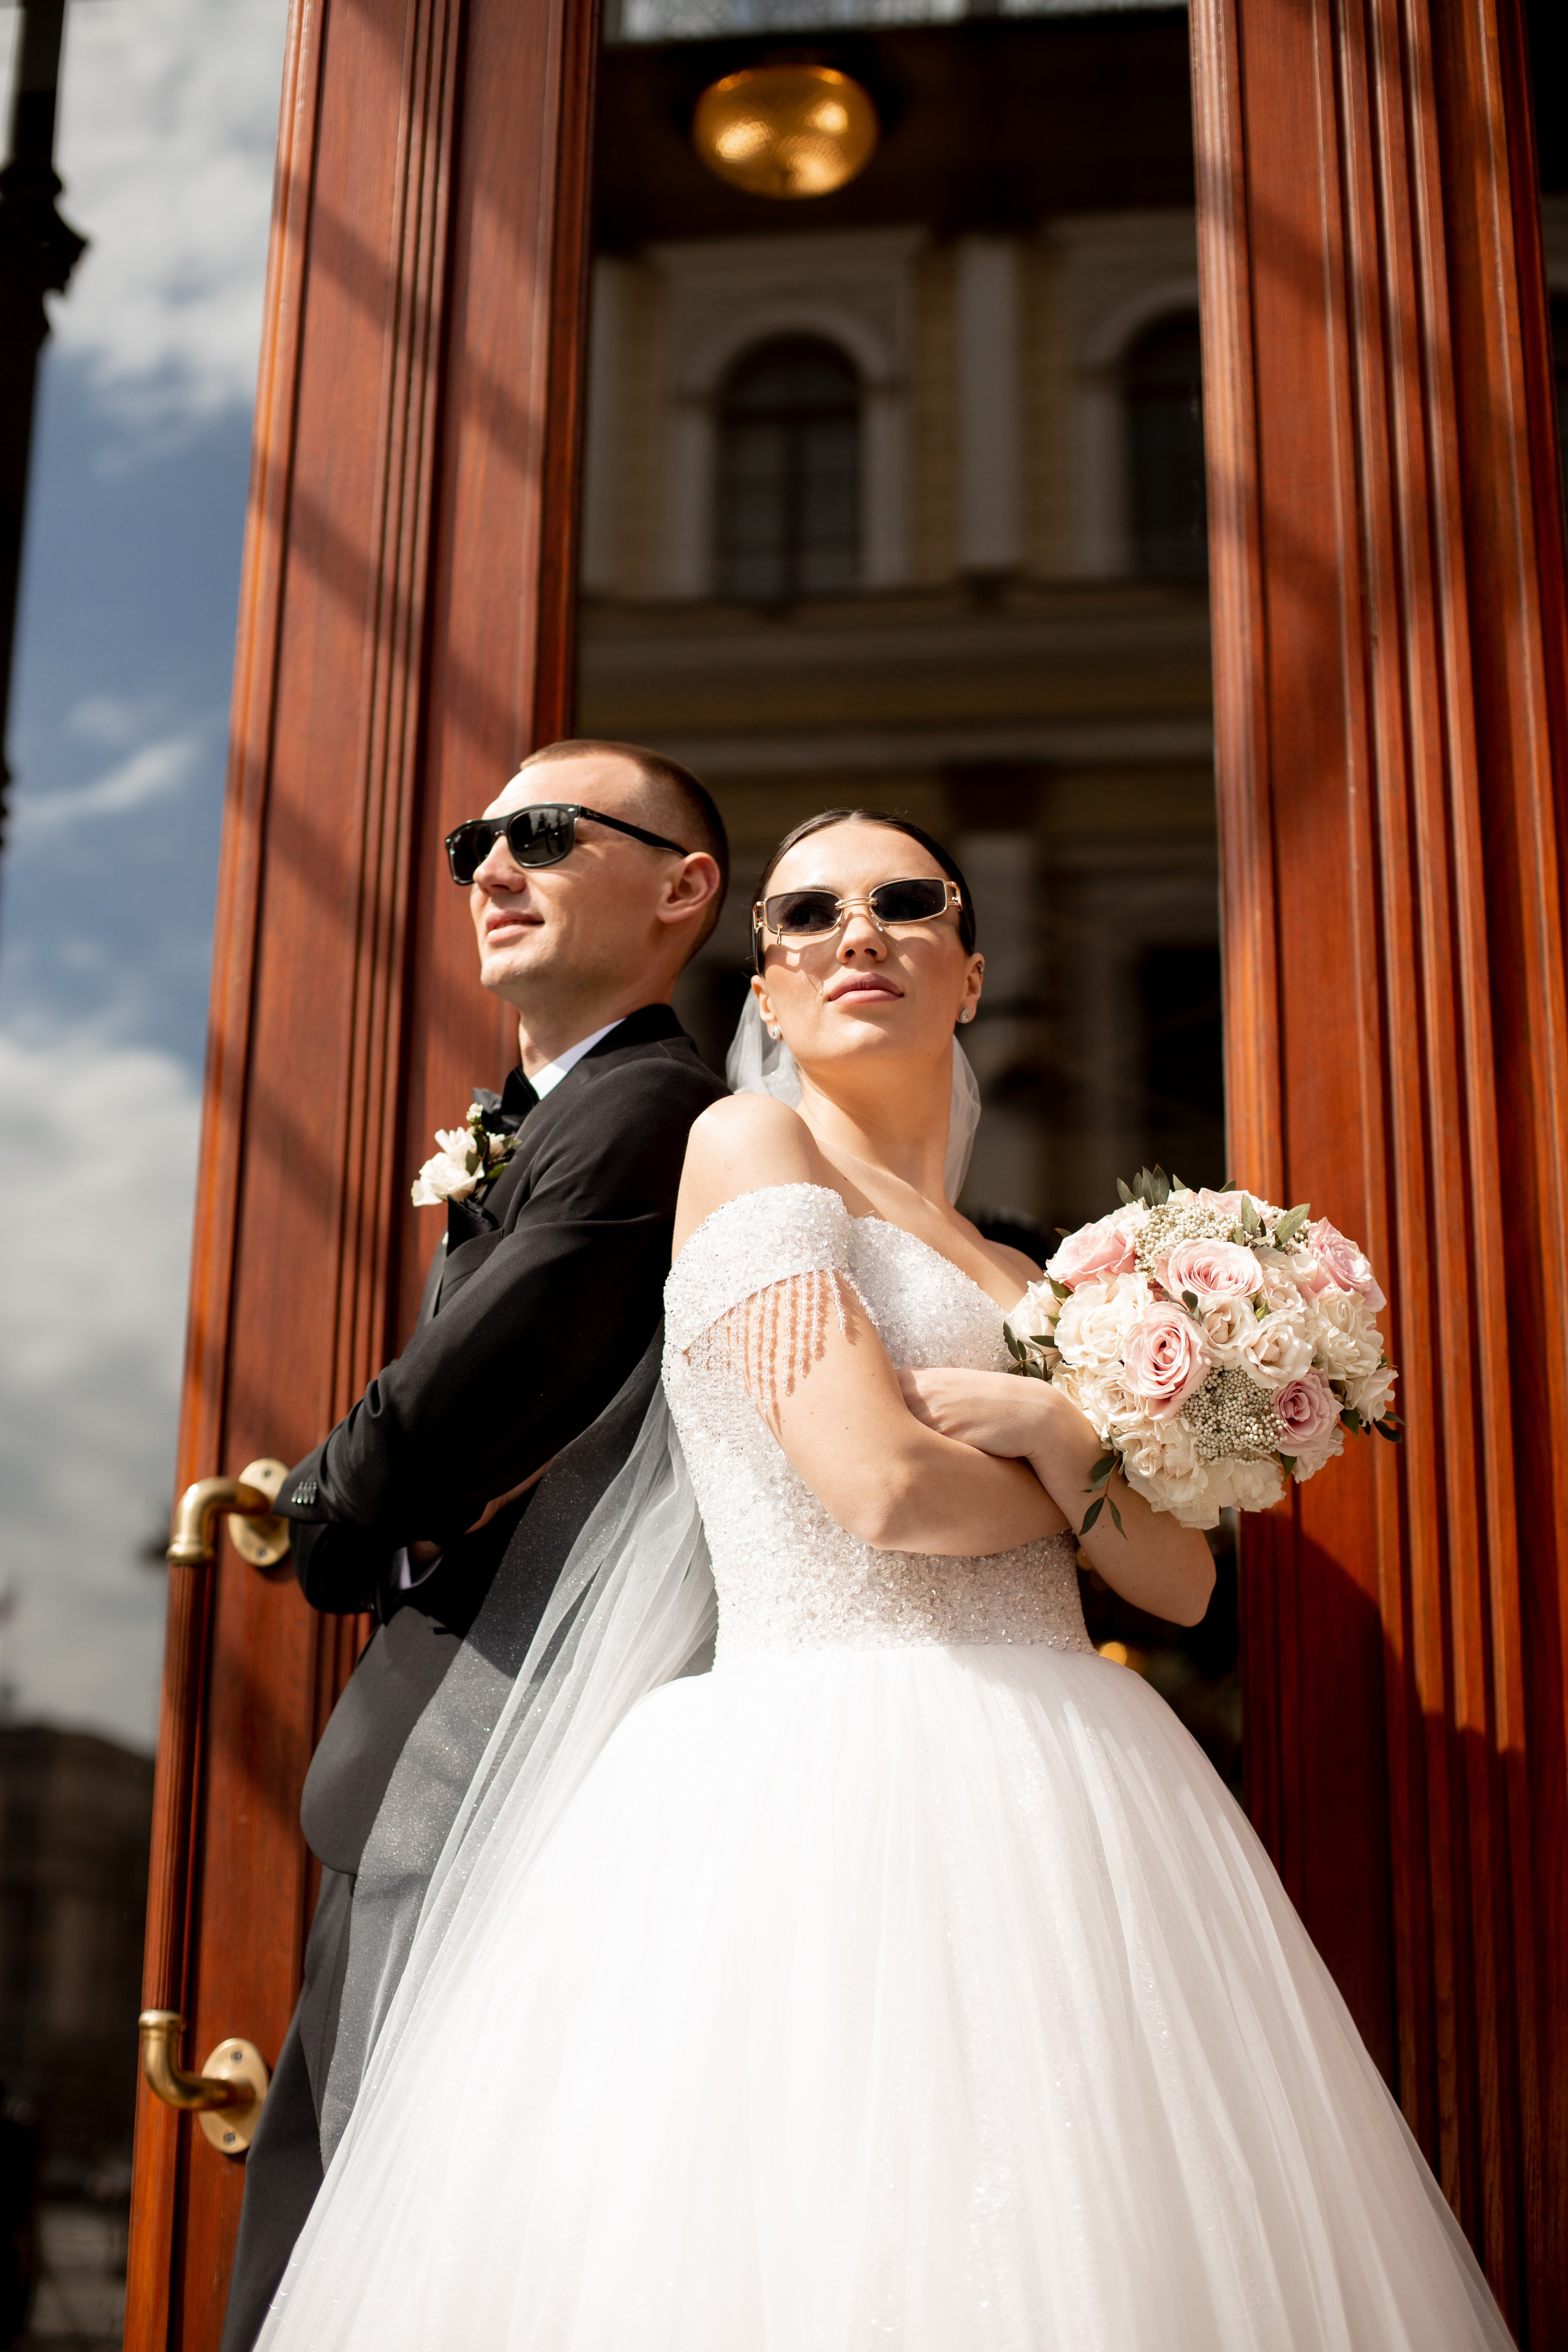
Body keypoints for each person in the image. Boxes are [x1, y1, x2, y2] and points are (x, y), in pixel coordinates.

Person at [254, 809, 1514, 2351]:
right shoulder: (748, 1150)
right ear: (766, 994)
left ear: (969, 971)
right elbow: (877, 1488)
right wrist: (1075, 1481)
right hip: (814, 1774)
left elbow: (1179, 1584)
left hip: (1073, 1797)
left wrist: (1056, 1424)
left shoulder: (1034, 1281)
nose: (857, 932)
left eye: (905, 902)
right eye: (802, 917)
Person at [220, 742, 729, 2352]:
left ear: (683, 891)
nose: (492, 867)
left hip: (503, 1741)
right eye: (471, 841)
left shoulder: (654, 1114)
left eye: (546, 833)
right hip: (452, 1721)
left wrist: (325, 1522)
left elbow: (451, 1408)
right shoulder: (549, 1114)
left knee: (386, 2202)